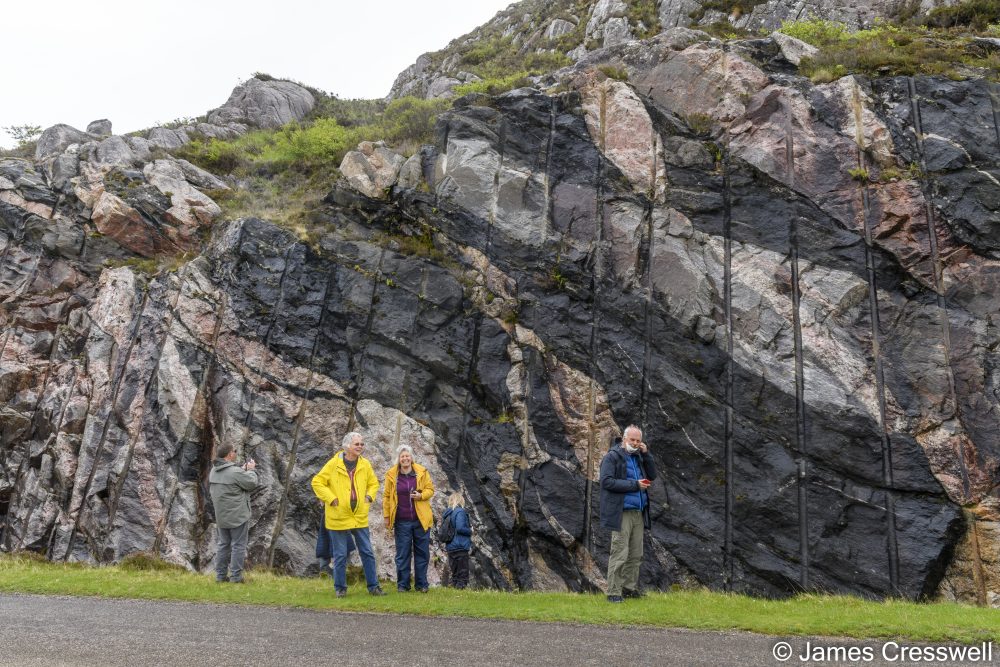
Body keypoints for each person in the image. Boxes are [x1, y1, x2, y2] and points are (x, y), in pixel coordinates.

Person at [311, 431, 385, 597]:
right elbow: (317, 482)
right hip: (338, 516)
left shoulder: (365, 464)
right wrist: (331, 498)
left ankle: (374, 587)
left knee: (367, 552)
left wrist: (368, 497)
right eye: (357, 444)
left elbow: (374, 483)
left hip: (359, 516)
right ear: (347, 446)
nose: (360, 447)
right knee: (340, 555)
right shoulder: (333, 464)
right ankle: (340, 589)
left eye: (361, 444)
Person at [599, 424, 657, 603]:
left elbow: (652, 475)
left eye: (638, 440)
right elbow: (606, 482)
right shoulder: (612, 457)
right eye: (632, 439)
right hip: (621, 512)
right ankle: (613, 592)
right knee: (619, 552)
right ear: (624, 438)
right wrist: (635, 485)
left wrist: (646, 454)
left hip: (638, 512)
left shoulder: (639, 456)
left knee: (636, 554)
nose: (635, 443)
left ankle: (629, 588)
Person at [383, 444, 435, 592]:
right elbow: (386, 497)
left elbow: (430, 489)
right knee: (402, 554)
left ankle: (421, 585)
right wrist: (386, 516)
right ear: (398, 459)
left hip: (421, 520)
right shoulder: (391, 475)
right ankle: (403, 585)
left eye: (407, 456)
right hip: (401, 521)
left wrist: (421, 496)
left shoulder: (422, 472)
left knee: (422, 553)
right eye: (402, 456)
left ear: (411, 458)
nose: (405, 458)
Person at [209, 442, 258, 583]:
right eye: (235, 451)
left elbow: (231, 477)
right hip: (237, 516)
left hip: (221, 516)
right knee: (238, 545)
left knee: (223, 545)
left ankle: (220, 576)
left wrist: (242, 470)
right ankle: (236, 577)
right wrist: (251, 470)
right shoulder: (235, 472)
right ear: (230, 454)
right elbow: (251, 483)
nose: (236, 453)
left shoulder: (214, 470)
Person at [442, 492, 472, 589]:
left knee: (455, 572)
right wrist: (470, 531)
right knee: (462, 572)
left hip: (450, 546)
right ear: (460, 500)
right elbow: (460, 528)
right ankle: (461, 590)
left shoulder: (447, 513)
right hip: (460, 545)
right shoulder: (460, 512)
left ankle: (456, 589)